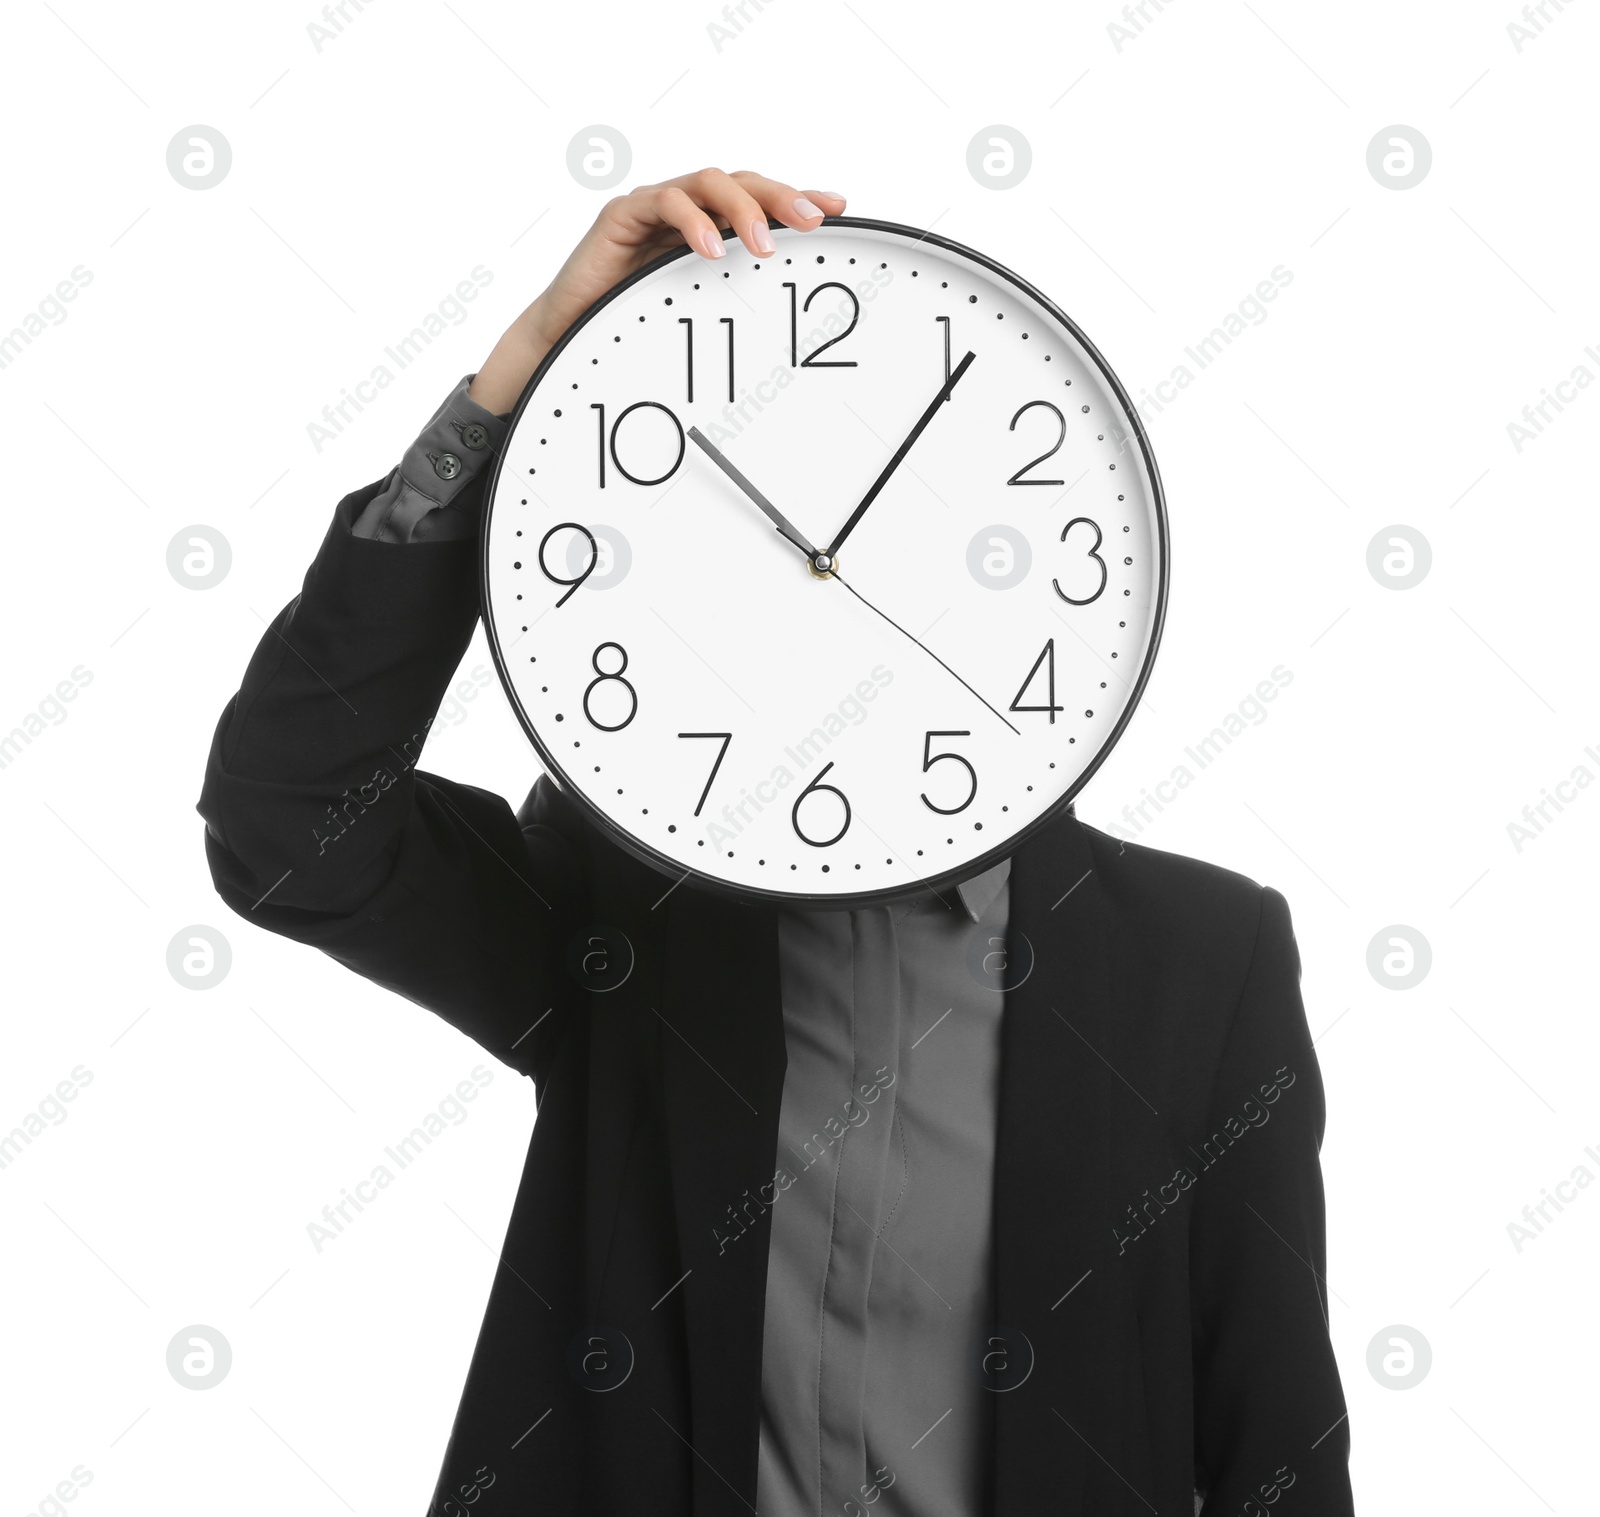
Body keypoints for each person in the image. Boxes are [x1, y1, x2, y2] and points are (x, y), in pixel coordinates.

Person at [197, 167, 1355, 1517]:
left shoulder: (1200, 963)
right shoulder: (626, 907)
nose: (857, 587)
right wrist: (519, 376)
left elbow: (1279, 1452)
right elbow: (289, 823)